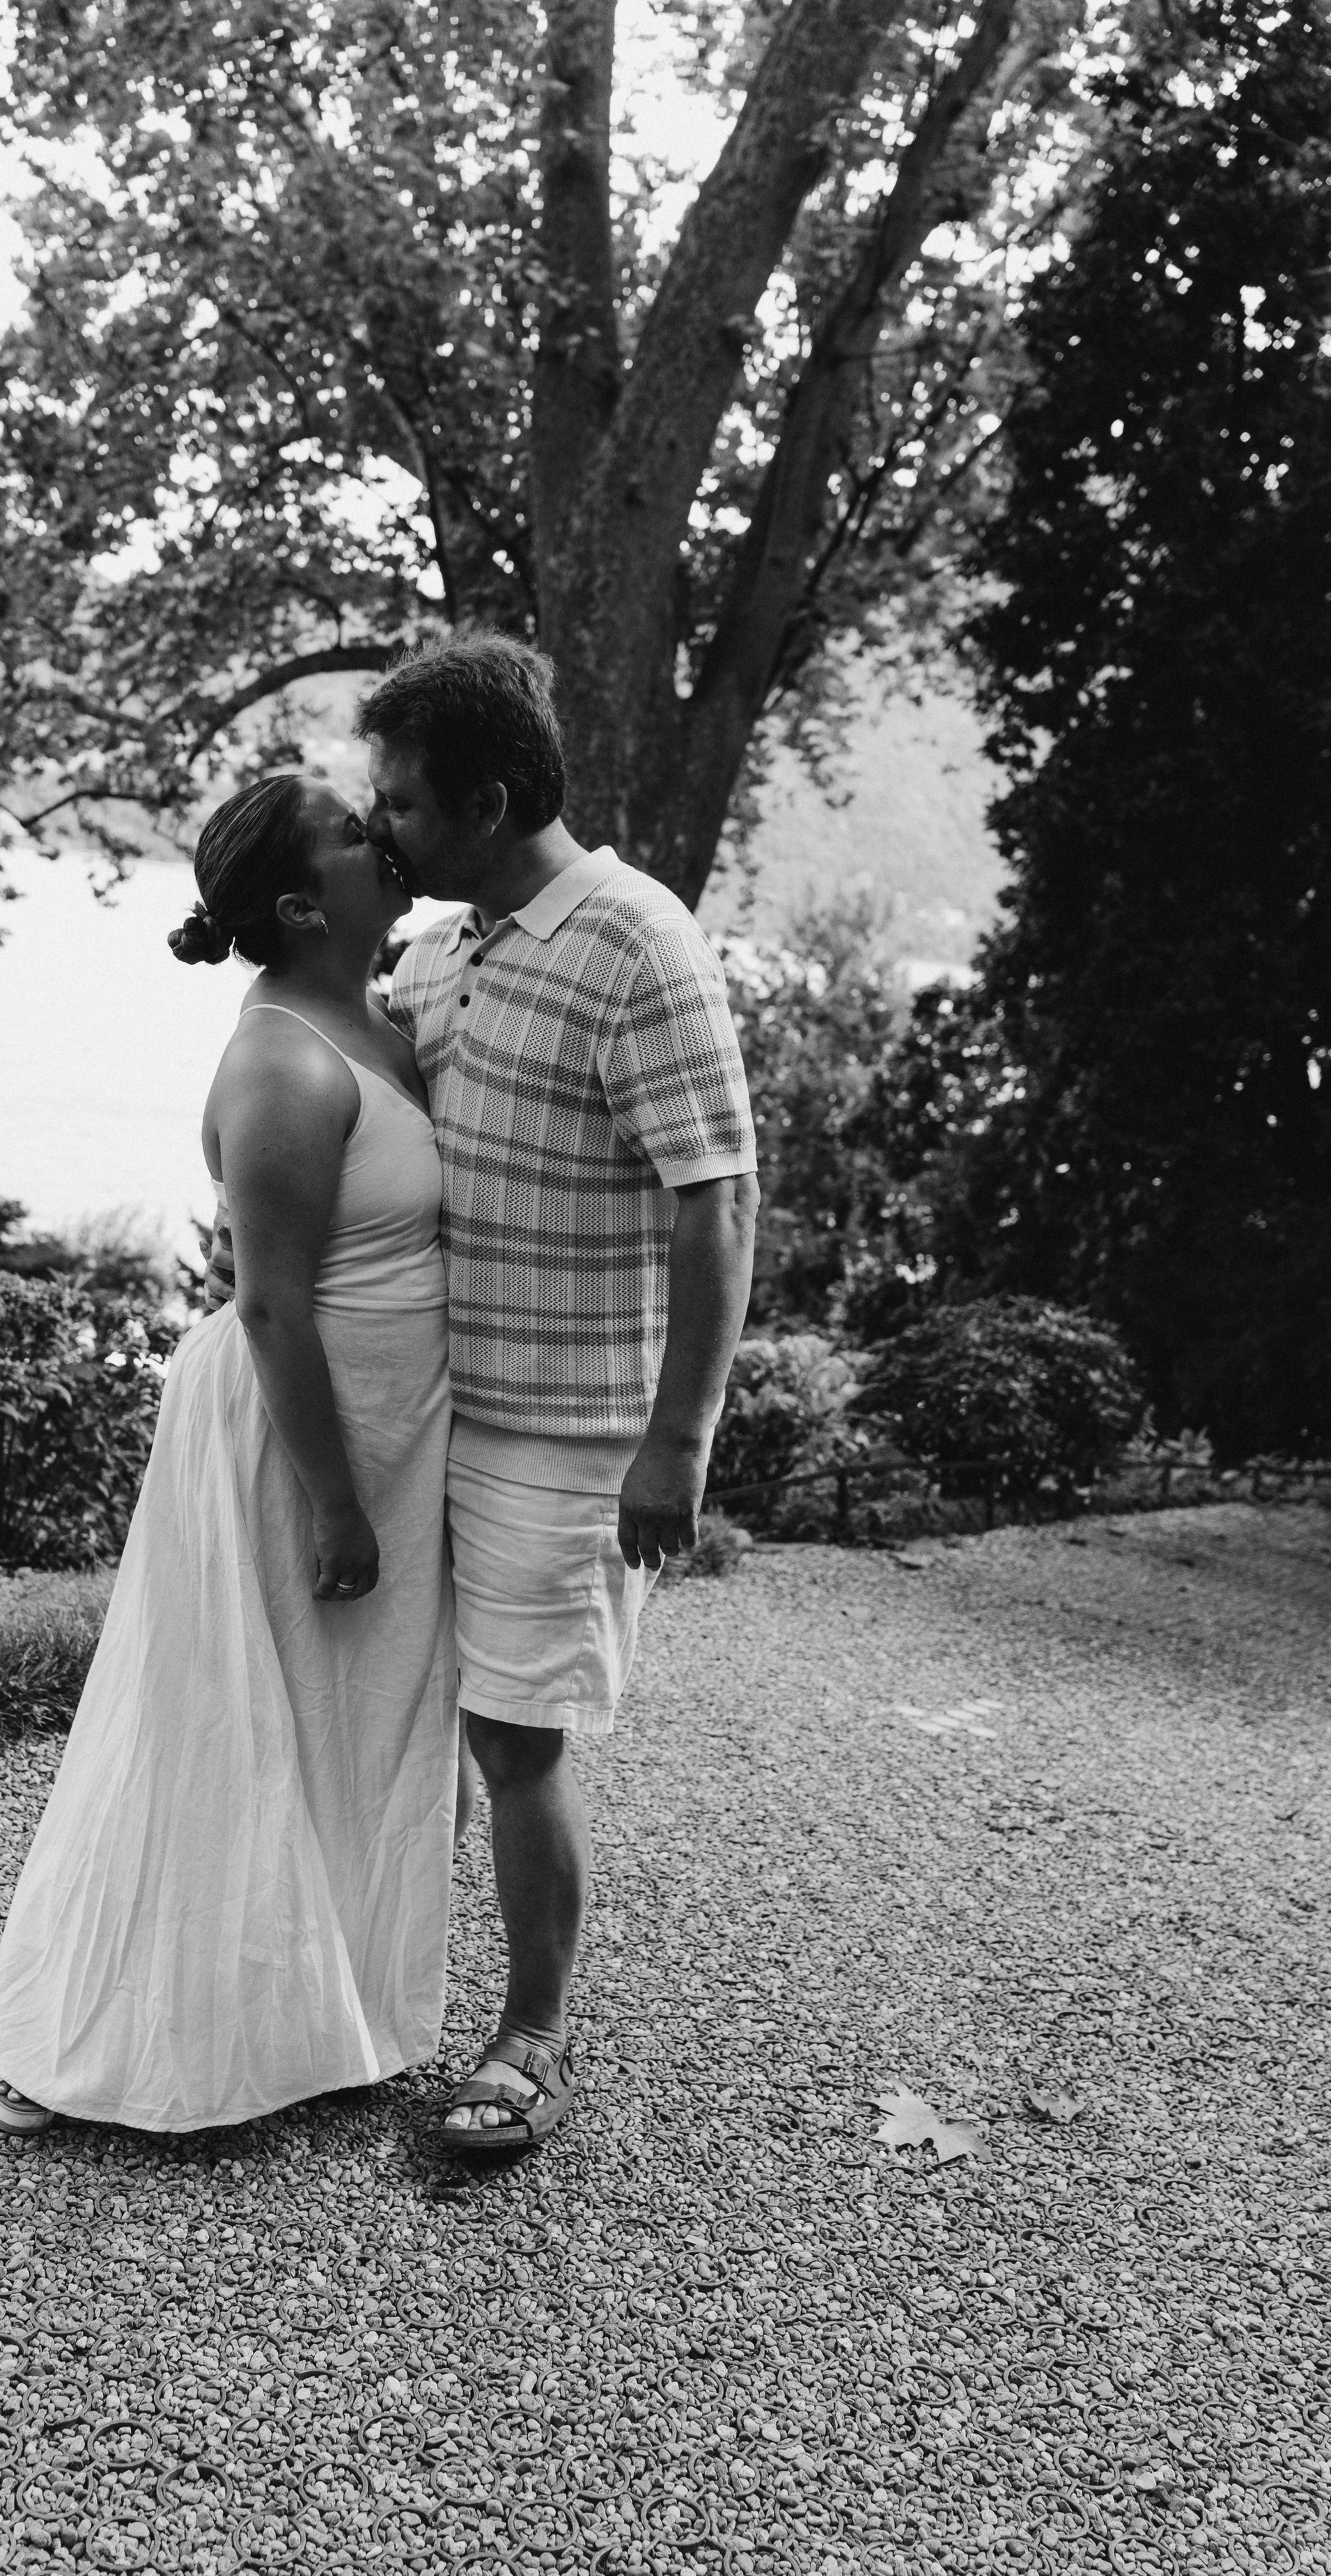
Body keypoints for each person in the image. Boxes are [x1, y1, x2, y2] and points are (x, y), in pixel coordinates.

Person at [215, 636, 759, 2154]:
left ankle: (527, 2038)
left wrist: (680, 1438)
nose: (380, 825)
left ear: (495, 797)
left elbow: (715, 1199)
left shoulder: (637, 941)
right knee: (388, 1722)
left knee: (516, 1739)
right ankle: (356, 1999)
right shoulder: (442, 952)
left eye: (398, 799)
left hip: (569, 1436)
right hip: (432, 1423)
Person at [0, 771, 460, 2135]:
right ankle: (116, 2030)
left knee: (336, 1723)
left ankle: (315, 2012)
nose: (390, 841)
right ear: (306, 904)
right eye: (361, 837)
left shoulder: (376, 1010)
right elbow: (268, 1303)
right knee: (224, 1725)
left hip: (388, 1430)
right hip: (288, 1443)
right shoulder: (278, 1063)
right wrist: (335, 1505)